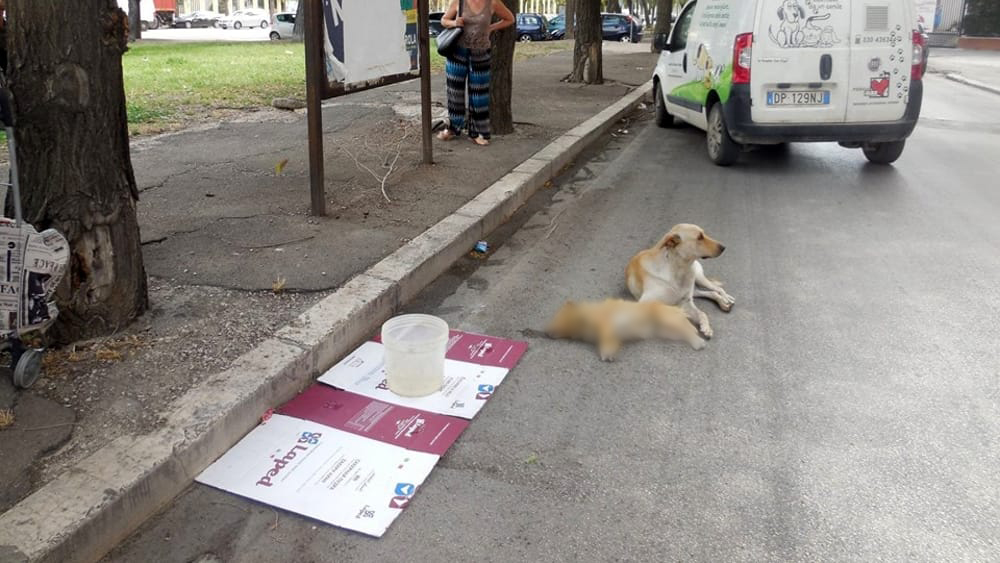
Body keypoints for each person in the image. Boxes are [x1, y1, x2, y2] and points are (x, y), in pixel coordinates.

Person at [436, 0, 514, 147]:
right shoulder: (459, 2)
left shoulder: (493, 3)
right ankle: (454, 128)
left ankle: (477, 133)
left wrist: (491, 28)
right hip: (457, 52)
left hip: (481, 53)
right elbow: (444, 20)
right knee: (455, 93)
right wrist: (454, 23)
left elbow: (509, 19)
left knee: (479, 95)